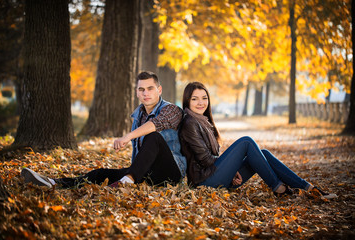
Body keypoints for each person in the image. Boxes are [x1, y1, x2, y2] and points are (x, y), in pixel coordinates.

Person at [21, 71, 187, 188]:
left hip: (171, 173)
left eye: (150, 88)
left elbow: (157, 124)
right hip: (146, 172)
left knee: (153, 137)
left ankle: (126, 182)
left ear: (159, 90)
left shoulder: (172, 110)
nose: (146, 93)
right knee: (100, 174)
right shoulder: (138, 116)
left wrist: (127, 137)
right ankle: (53, 183)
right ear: (136, 92)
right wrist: (131, 169)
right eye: (141, 89)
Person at [179, 82, 336, 198]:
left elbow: (212, 159)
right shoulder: (190, 123)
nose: (201, 102)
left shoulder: (203, 121)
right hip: (204, 182)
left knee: (264, 153)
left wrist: (230, 169)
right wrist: (230, 169)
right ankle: (278, 187)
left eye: (204, 98)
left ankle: (308, 188)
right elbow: (206, 160)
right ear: (187, 101)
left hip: (213, 174)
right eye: (195, 99)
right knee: (246, 141)